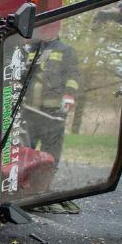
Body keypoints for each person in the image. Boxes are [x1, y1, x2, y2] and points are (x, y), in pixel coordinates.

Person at [22, 36, 80, 169]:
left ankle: (45, 183)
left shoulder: (65, 50)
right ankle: (22, 182)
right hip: (28, 111)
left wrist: (69, 94)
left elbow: (74, 75)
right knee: (23, 151)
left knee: (50, 153)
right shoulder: (28, 49)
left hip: (52, 113)